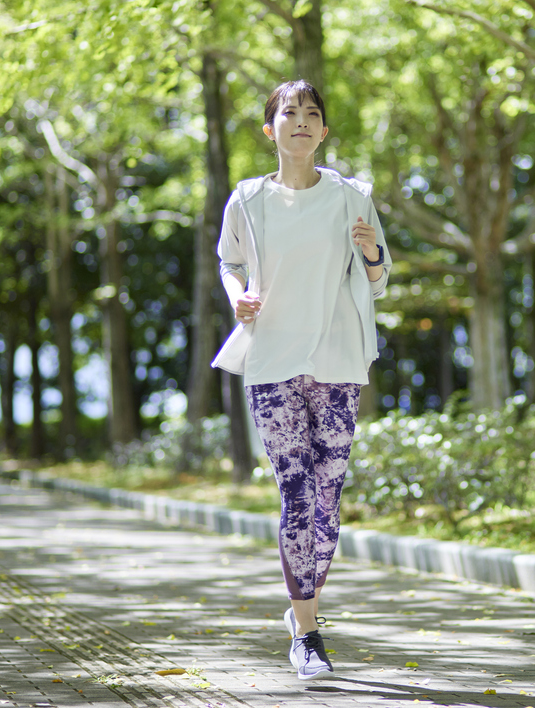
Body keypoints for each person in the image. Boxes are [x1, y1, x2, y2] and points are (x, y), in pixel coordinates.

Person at [212, 79, 391, 681]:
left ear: (323, 132)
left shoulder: (352, 196)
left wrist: (369, 252)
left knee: (328, 503)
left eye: (313, 114)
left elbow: (379, 276)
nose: (303, 122)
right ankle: (308, 631)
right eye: (290, 113)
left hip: (338, 360)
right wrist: (240, 297)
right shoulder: (248, 200)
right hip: (272, 363)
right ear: (272, 131)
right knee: (296, 493)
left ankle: (303, 612)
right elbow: (229, 263)